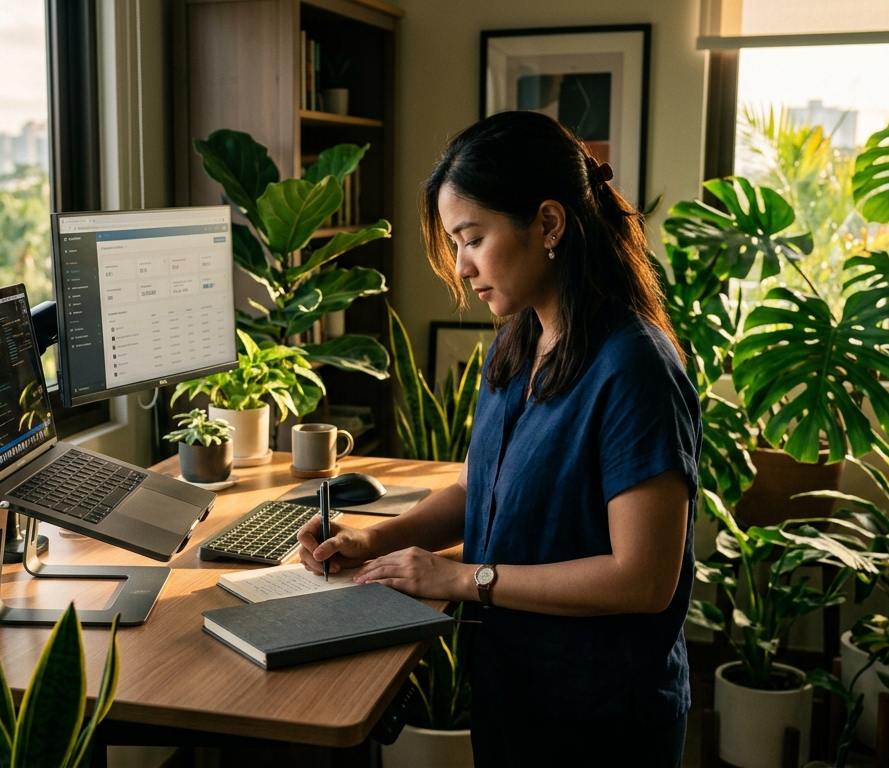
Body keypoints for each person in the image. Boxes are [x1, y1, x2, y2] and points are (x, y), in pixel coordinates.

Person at [297, 110, 699, 767]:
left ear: (547, 224)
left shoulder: (634, 368)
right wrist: (371, 539)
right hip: (515, 691)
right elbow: (475, 489)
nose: (460, 266)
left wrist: (459, 577)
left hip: (600, 718)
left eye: (472, 239)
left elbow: (644, 579)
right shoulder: (519, 346)